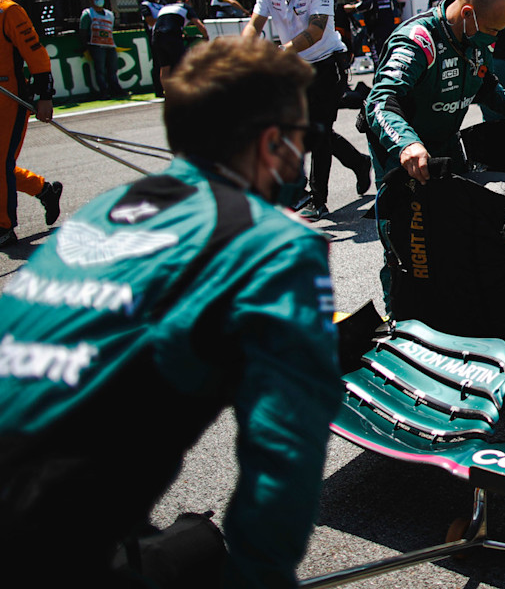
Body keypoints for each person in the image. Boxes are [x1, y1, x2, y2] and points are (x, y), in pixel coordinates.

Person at [0, 35, 341, 585]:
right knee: (205, 550)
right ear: (272, 143)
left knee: (173, 538)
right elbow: (283, 452)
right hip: (36, 545)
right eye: (302, 137)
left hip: (39, 501)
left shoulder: (101, 210)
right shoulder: (276, 245)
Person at [365, 0, 505, 308]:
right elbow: (380, 101)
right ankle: (398, 317)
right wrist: (406, 144)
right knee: (406, 242)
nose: (495, 38)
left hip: (445, 147)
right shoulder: (418, 42)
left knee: (455, 228)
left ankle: (451, 308)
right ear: (468, 13)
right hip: (403, 153)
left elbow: (487, 84)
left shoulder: (477, 39)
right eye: (492, 30)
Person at [244, 0, 369, 221]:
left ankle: (318, 199)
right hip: (293, 69)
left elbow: (316, 30)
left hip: (326, 64)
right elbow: (255, 24)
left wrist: (281, 52)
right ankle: (359, 162)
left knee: (320, 130)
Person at [0, 0, 62, 247]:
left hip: (8, 99)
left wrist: (45, 95)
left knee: (0, 163)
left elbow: (36, 54)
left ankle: (3, 227)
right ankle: (44, 190)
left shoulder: (8, 11)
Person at [151, 0, 208, 99]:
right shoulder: (186, 7)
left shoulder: (166, 7)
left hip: (156, 36)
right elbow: (198, 24)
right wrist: (206, 37)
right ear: (187, 1)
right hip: (171, 36)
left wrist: (184, 35)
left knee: (165, 67)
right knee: (182, 63)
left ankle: (168, 94)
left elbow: (168, 23)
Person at [345, 0, 398, 65]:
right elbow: (394, 3)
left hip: (375, 24)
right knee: (390, 53)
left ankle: (381, 78)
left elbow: (367, 5)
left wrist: (352, 8)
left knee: (378, 57)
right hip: (389, 22)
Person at [79, 0, 122, 98]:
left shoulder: (109, 14)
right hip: (96, 45)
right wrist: (85, 46)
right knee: (100, 70)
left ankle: (116, 89)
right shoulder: (88, 14)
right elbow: (83, 30)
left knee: (113, 69)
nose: (99, 0)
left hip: (110, 44)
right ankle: (104, 91)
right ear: (92, 1)